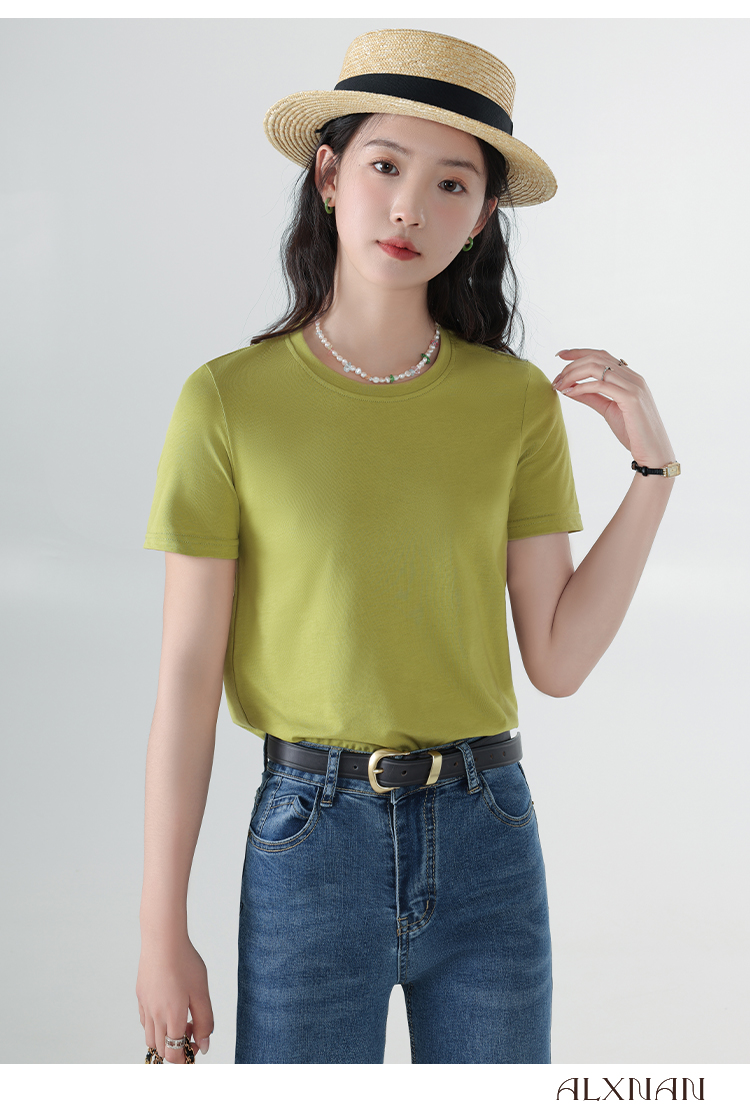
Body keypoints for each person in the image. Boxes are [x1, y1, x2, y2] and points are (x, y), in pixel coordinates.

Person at [135, 28, 679, 1065]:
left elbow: (558, 659)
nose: (409, 208)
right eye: (385, 166)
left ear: (482, 218)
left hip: (490, 837)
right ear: (329, 175)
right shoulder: (228, 402)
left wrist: (652, 475)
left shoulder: (513, 401)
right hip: (308, 844)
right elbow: (187, 678)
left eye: (451, 185)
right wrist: (163, 934)